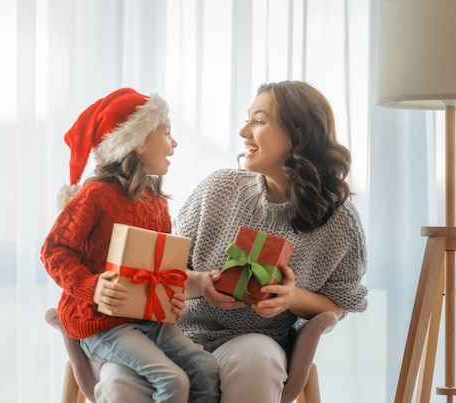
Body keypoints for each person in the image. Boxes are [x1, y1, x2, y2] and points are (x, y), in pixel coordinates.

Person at [95, 80, 368, 403]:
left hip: (255, 339)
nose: (244, 131)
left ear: (298, 133)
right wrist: (202, 283)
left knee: (257, 360)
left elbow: (339, 304)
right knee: (119, 379)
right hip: (175, 335)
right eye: (247, 118)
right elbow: (165, 267)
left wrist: (291, 297)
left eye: (259, 120)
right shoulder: (219, 189)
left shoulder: (339, 221)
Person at [41, 87, 221, 403]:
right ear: (138, 143)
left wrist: (174, 295)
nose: (174, 144)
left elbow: (162, 271)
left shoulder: (157, 204)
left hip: (148, 320)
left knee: (206, 369)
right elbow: (53, 251)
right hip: (102, 324)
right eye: (166, 133)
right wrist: (91, 286)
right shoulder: (94, 197)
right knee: (173, 380)